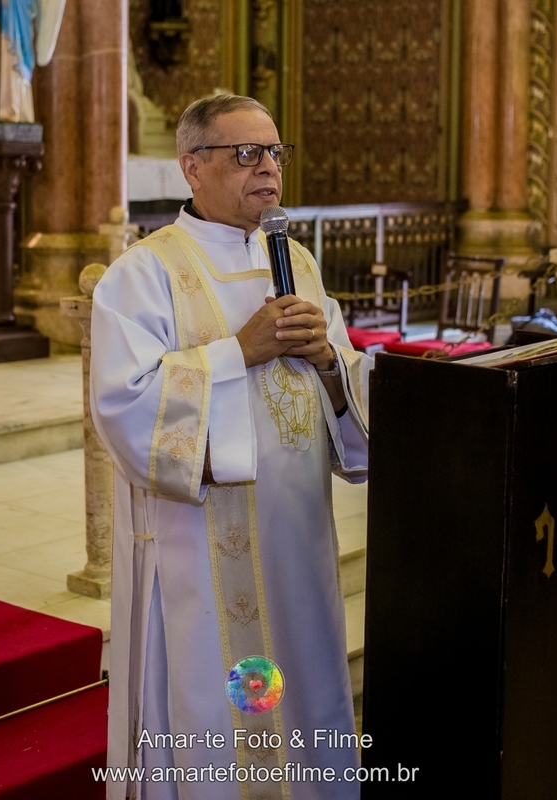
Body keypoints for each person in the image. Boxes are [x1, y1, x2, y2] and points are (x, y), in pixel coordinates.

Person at [90, 94, 372, 800]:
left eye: (275, 152)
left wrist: (333, 367)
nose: (268, 170)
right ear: (192, 167)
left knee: (306, 691)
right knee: (217, 710)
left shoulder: (298, 263)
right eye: (245, 154)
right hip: (206, 555)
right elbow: (124, 407)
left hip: (299, 544)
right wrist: (236, 352)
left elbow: (347, 404)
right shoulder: (144, 274)